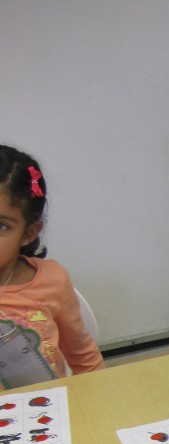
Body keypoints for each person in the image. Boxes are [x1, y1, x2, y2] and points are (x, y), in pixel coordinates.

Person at [0, 145, 105, 390]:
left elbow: (84, 359)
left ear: (28, 232)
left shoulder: (52, 281)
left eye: (1, 226)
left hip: (44, 415)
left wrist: (102, 404)